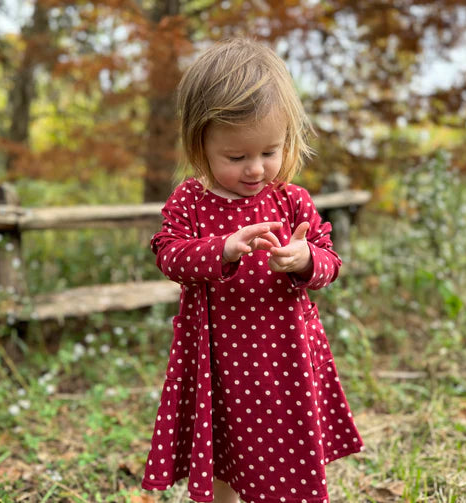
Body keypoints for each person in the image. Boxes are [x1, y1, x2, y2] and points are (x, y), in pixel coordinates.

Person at [141, 37, 363, 503]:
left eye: (269, 151)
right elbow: (167, 254)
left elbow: (330, 263)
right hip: (217, 357)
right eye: (236, 157)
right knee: (224, 443)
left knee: (285, 444)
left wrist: (303, 262)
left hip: (284, 355)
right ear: (200, 143)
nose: (255, 169)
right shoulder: (191, 201)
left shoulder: (290, 199)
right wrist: (221, 249)